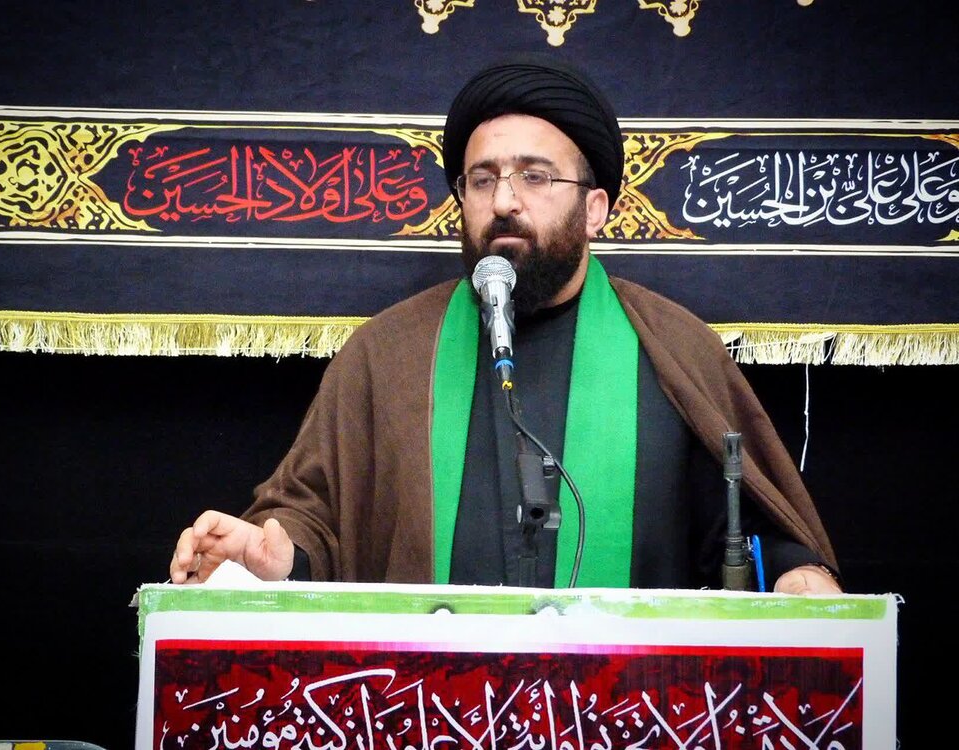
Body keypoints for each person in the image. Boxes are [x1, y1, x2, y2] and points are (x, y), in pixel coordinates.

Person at [170, 55, 842, 596]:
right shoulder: (389, 353)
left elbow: (748, 527)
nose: (505, 201)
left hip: (625, 703)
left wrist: (794, 572)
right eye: (482, 180)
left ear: (595, 209)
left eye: (536, 177)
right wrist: (276, 555)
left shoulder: (671, 348)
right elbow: (313, 518)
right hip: (426, 701)